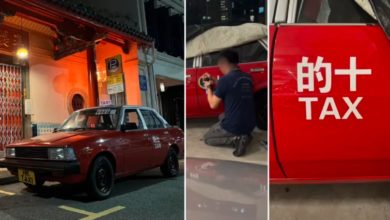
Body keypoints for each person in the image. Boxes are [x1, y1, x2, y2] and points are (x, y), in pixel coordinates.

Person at [202, 50, 256, 157]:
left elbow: (213, 104)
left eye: (220, 64)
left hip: (235, 125)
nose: (219, 67)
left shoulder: (225, 80)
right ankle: (246, 134)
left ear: (225, 63)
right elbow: (232, 88)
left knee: (207, 138)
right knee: (221, 116)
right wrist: (215, 81)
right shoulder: (248, 77)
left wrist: (208, 87)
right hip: (251, 124)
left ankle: (236, 139)